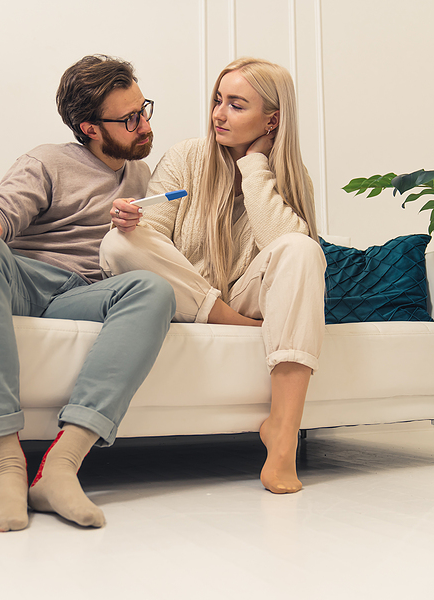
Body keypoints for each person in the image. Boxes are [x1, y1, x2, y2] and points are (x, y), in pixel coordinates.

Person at [0, 55, 175, 532]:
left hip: (87, 293)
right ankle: (5, 469)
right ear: (89, 127)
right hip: (27, 280)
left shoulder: (144, 179)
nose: (144, 125)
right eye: (129, 119)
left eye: (144, 109)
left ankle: (60, 468)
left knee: (153, 289)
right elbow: (5, 206)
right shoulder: (48, 160)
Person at [100, 57, 325, 494]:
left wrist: (255, 169)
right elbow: (152, 235)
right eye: (218, 100)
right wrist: (132, 222)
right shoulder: (186, 156)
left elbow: (286, 246)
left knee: (300, 249)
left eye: (237, 105)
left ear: (272, 120)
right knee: (117, 242)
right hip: (189, 294)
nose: (218, 113)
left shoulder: (292, 178)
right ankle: (231, 322)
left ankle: (281, 435)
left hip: (248, 293)